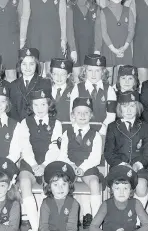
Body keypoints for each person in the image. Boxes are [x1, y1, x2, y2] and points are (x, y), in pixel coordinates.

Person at [17, 88, 62, 231]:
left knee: (48, 187)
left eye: (43, 104)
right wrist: (34, 164)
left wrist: (44, 165)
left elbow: (55, 148)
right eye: (35, 105)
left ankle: (45, 224)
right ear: (31, 106)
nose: (40, 108)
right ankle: (36, 227)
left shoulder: (57, 123)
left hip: (48, 163)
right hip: (30, 163)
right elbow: (25, 146)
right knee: (24, 182)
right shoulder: (25, 122)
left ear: (49, 105)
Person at [57, 97, 104, 226]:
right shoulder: (67, 133)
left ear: (91, 115)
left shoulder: (96, 135)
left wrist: (82, 167)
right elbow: (62, 155)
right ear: (73, 115)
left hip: (88, 168)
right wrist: (71, 165)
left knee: (94, 182)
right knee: (61, 183)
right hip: (70, 167)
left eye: (86, 112)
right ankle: (65, 217)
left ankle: (96, 219)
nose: (82, 115)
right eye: (78, 112)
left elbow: (95, 157)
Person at [105, 91, 148, 209]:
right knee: (120, 187)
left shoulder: (146, 127)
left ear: (138, 108)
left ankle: (137, 220)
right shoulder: (112, 127)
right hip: (119, 167)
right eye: (125, 106)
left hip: (140, 168)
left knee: (141, 186)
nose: (129, 110)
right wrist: (122, 165)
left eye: (132, 106)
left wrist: (137, 165)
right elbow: (108, 153)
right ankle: (121, 218)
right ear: (119, 108)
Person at [20, 0, 67, 74]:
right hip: (35, 37)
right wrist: (22, 40)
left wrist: (63, 39)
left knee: (52, 70)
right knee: (37, 70)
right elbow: (25, 18)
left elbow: (63, 18)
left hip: (53, 38)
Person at [89, 165, 148, 231]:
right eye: (117, 188)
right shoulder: (106, 205)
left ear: (130, 190)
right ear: (112, 189)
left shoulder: (136, 203)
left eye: (125, 188)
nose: (121, 192)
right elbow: (93, 227)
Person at [67, 0, 102, 80]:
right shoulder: (70, 8)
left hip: (91, 47)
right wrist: (72, 49)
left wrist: (97, 49)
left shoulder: (96, 9)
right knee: (77, 77)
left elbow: (98, 31)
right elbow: (69, 30)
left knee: (90, 77)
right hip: (76, 47)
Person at [69, 54, 117, 135]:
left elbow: (111, 116)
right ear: (84, 71)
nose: (93, 74)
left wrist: (101, 130)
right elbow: (72, 114)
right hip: (81, 132)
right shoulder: (77, 88)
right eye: (90, 70)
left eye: (97, 71)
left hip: (103, 132)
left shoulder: (109, 90)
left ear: (103, 72)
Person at [99, 0, 134, 74]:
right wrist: (113, 49)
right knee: (108, 76)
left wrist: (124, 47)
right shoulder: (103, 12)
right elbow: (104, 33)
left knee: (123, 76)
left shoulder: (128, 11)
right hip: (109, 48)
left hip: (124, 49)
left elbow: (131, 31)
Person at [8, 48, 51, 121]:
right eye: (24, 64)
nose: (28, 68)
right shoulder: (13, 86)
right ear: (19, 65)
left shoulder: (45, 83)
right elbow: (11, 112)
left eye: (31, 64)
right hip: (18, 128)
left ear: (36, 65)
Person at [39, 161, 80, 231]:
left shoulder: (74, 204)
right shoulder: (46, 203)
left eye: (64, 184)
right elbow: (43, 226)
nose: (60, 188)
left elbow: (72, 227)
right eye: (55, 185)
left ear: (69, 185)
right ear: (49, 187)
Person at [49, 58, 74, 123]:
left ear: (68, 75)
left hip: (67, 128)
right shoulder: (46, 90)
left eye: (63, 74)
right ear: (51, 74)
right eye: (55, 74)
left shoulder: (74, 90)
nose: (59, 77)